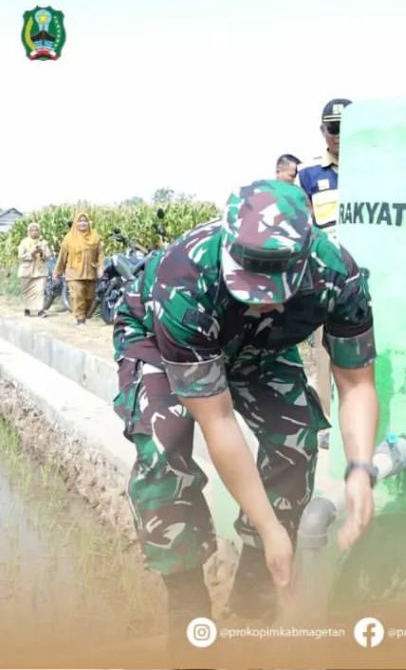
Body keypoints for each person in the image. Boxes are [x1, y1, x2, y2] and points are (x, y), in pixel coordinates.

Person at [111, 180, 379, 644]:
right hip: (159, 339)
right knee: (165, 442)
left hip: (260, 348)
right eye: (250, 287)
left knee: (296, 437)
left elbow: (356, 381)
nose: (262, 299)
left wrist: (359, 469)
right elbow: (217, 419)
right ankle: (189, 609)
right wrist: (268, 524)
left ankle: (257, 596)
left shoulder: (337, 274)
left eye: (275, 288)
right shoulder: (184, 276)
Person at [298, 97, 352, 449]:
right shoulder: (310, 175)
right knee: (327, 351)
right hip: (330, 275)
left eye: (346, 128)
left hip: (370, 271)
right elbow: (304, 227)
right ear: (323, 132)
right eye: (333, 128)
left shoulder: (379, 169)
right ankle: (328, 426)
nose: (339, 136)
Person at [54, 212, 102, 325]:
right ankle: (80, 319)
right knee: (78, 294)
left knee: (89, 297)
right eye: (80, 221)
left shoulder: (95, 237)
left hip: (90, 272)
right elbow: (62, 256)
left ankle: (84, 315)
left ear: (89, 223)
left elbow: (100, 254)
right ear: (75, 223)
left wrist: (100, 268)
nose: (82, 223)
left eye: (85, 221)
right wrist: (57, 272)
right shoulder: (69, 238)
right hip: (74, 272)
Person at [17, 222, 53, 317]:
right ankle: (27, 308)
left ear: (39, 231)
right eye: (32, 230)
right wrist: (31, 253)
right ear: (28, 232)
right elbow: (20, 256)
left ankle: (40, 310)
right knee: (27, 290)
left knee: (39, 290)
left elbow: (48, 256)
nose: (34, 232)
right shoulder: (24, 242)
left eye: (36, 230)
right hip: (27, 270)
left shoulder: (43, 243)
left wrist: (41, 252)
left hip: (40, 270)